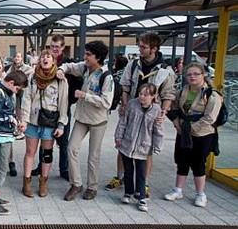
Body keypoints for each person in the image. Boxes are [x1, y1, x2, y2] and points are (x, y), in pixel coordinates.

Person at [106, 33, 176, 198]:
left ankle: (144, 184)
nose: (140, 50)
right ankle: (120, 176)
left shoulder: (165, 70)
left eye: (143, 47)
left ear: (154, 49)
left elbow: (168, 94)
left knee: (146, 150)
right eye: (140, 46)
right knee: (124, 144)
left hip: (151, 114)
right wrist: (124, 105)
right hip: (132, 110)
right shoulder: (133, 65)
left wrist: (163, 112)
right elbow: (125, 86)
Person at [58, 40, 114, 201]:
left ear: (98, 57)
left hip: (98, 121)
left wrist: (86, 96)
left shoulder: (106, 76)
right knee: (71, 148)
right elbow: (69, 66)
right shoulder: (84, 68)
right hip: (81, 118)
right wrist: (61, 70)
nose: (85, 57)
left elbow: (106, 102)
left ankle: (92, 187)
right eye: (85, 54)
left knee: (93, 156)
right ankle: (76, 184)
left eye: (89, 55)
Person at [164, 62, 222, 208]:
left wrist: (190, 130)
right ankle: (178, 190)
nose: (192, 77)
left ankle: (200, 193)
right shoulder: (183, 91)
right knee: (182, 160)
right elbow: (175, 107)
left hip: (202, 134)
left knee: (198, 163)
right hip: (183, 130)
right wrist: (177, 124)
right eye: (189, 74)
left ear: (203, 75)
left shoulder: (212, 95)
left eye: (196, 74)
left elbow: (210, 118)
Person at [18, 50, 69, 198]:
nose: (45, 59)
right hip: (33, 121)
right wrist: (24, 121)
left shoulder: (60, 80)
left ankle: (43, 182)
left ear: (54, 61)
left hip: (50, 121)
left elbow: (63, 103)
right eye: (43, 57)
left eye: (49, 57)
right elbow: (26, 99)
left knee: (47, 154)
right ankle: (26, 182)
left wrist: (61, 124)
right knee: (30, 152)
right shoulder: (32, 77)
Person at [32, 34, 82, 180]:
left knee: (63, 140)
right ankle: (41, 166)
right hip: (45, 107)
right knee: (44, 137)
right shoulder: (45, 61)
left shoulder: (69, 63)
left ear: (63, 47)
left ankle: (64, 169)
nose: (54, 49)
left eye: (57, 47)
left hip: (62, 107)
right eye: (52, 46)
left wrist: (70, 100)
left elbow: (77, 82)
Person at [0, 70, 28, 215]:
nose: (17, 92)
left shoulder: (4, 92)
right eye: (17, 89)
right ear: (11, 83)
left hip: (4, 136)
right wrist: (9, 120)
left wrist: (15, 122)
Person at [114, 83, 164, 212]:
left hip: (144, 146)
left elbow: (158, 129)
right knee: (128, 170)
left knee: (141, 172)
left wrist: (157, 145)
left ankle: (141, 196)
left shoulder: (156, 109)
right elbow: (123, 122)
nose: (142, 97)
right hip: (127, 143)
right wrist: (118, 137)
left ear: (153, 96)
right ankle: (128, 192)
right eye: (140, 94)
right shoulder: (132, 104)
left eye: (146, 95)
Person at [5, 52, 34, 176]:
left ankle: (19, 130)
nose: (16, 59)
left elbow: (31, 73)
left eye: (18, 57)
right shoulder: (10, 69)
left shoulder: (27, 69)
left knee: (20, 112)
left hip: (21, 96)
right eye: (15, 57)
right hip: (13, 97)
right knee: (16, 111)